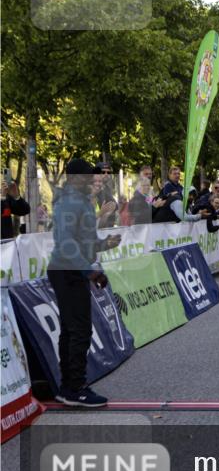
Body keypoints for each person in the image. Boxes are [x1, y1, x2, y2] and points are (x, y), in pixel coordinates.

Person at [48, 159, 123, 407]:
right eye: (87, 175)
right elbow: (66, 243)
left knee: (72, 330)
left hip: (72, 270)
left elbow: (84, 241)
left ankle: (68, 386)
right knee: (79, 331)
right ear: (73, 178)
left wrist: (104, 244)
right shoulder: (69, 201)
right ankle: (75, 388)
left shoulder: (81, 201)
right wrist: (90, 272)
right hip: (67, 271)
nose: (92, 179)